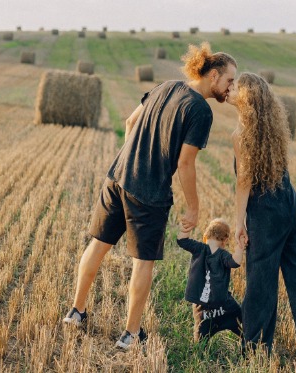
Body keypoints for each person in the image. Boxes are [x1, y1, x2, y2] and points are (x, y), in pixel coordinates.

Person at [63, 43, 237, 349]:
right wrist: (194, 209)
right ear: (213, 76)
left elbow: (130, 122)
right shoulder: (200, 111)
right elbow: (185, 163)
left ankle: (76, 312)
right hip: (149, 193)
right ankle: (131, 334)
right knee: (142, 263)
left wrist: (134, 159)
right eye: (229, 81)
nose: (231, 88)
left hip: (118, 176)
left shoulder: (165, 86)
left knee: (98, 245)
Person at [227, 72, 296, 354]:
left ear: (247, 98)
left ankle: (257, 347)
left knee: (260, 283)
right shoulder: (273, 129)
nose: (229, 88)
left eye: (235, 86)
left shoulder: (241, 135)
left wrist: (239, 223)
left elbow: (244, 181)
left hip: (266, 216)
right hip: (292, 209)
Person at [177, 218, 244, 342]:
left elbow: (182, 241)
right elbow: (236, 262)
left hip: (202, 309)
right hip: (224, 306)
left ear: (205, 236)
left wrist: (186, 225)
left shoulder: (198, 248)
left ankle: (200, 349)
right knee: (242, 321)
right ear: (225, 240)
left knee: (200, 339)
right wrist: (240, 245)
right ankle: (250, 342)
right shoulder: (223, 255)